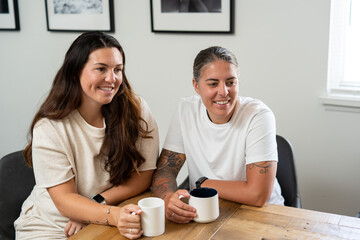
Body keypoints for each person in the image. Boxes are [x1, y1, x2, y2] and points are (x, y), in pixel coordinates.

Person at [14, 31, 159, 239]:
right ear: (75, 72)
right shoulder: (49, 127)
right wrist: (110, 215)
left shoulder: (136, 109)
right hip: (52, 226)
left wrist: (96, 204)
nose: (112, 78)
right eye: (101, 69)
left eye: (118, 69)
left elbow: (144, 175)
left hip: (105, 215)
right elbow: (65, 201)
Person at [151, 46, 284, 224]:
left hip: (262, 215)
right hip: (206, 212)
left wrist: (202, 184)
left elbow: (257, 195)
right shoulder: (185, 110)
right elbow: (166, 169)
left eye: (231, 82)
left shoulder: (258, 115)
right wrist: (168, 198)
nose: (224, 92)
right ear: (196, 86)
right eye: (213, 84)